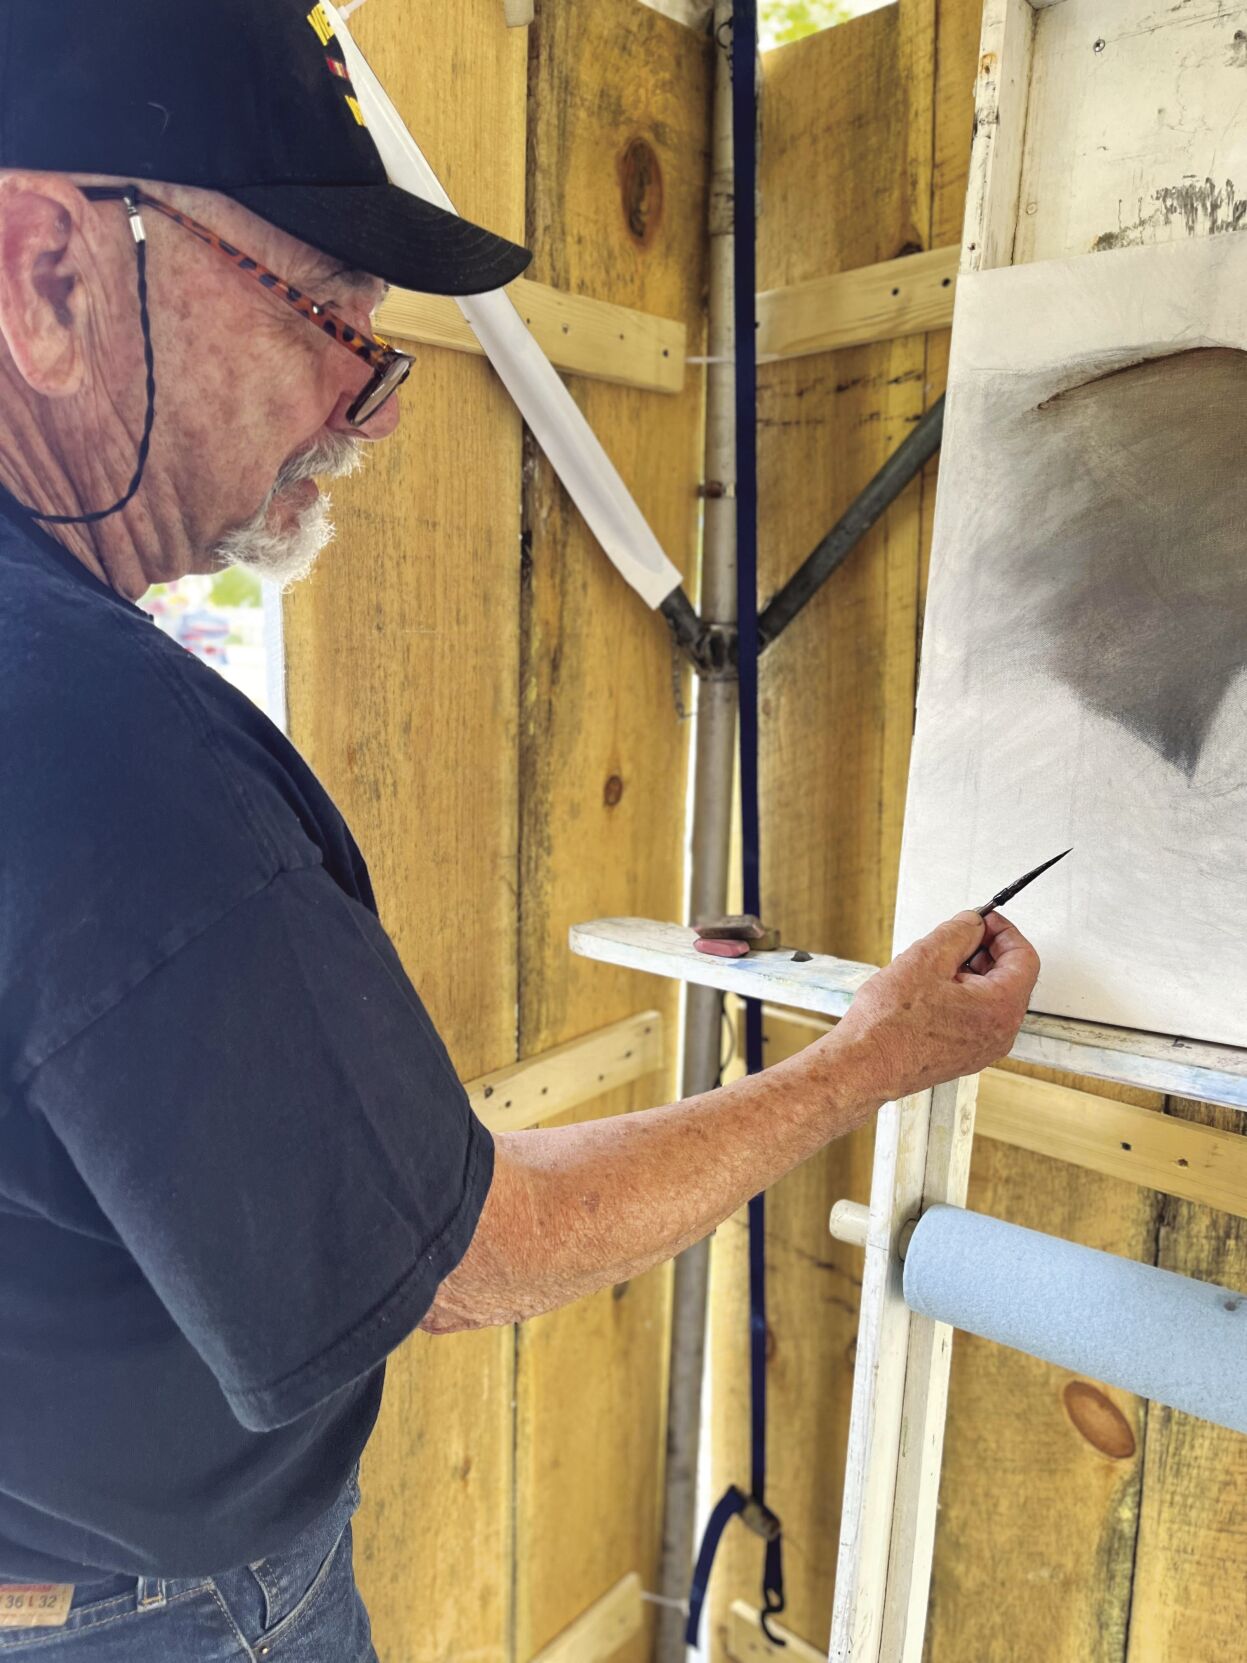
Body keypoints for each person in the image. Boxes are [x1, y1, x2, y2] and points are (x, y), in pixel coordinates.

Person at [0, 3, 1041, 1658]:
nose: (380, 400)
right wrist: (869, 1062)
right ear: (49, 269)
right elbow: (468, 1255)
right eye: (327, 312)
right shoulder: (105, 750)